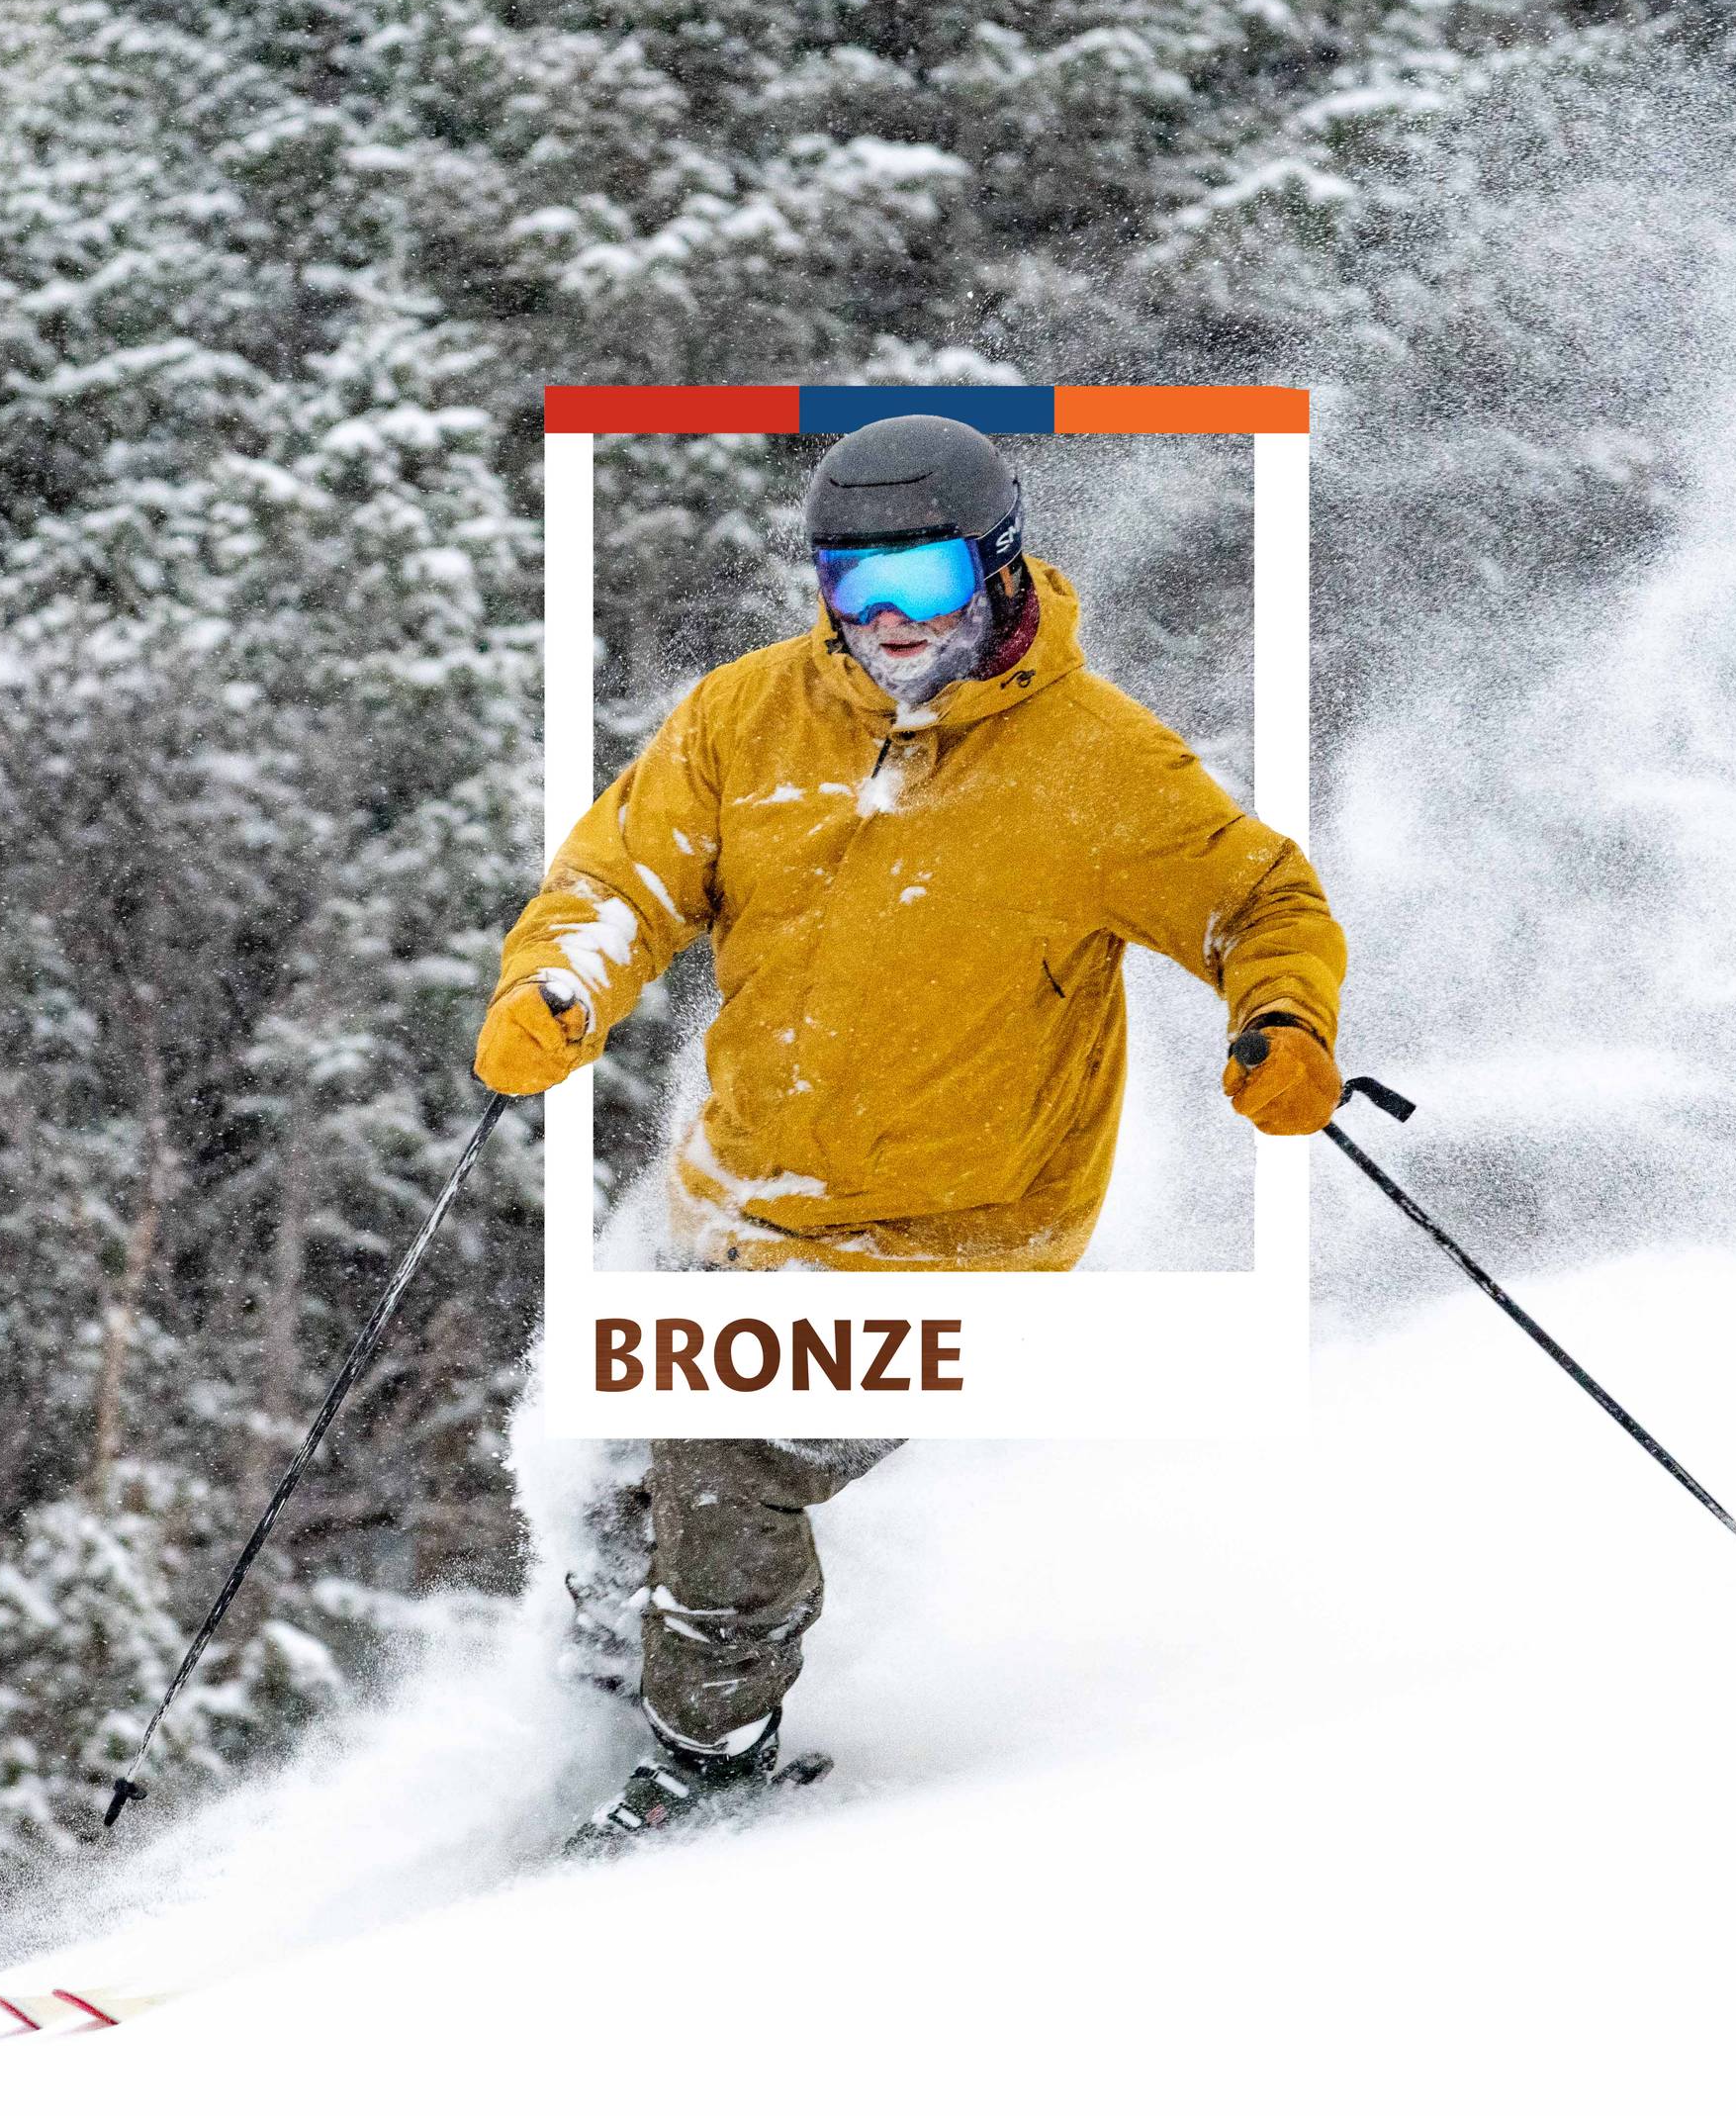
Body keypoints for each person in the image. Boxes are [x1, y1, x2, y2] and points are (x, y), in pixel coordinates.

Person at [477, 414, 1349, 1848]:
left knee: (730, 1446)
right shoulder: (747, 721)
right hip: (740, 1211)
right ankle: (607, 1711)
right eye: (853, 583)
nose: (888, 621)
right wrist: (561, 982)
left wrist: (1286, 1023)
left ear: (998, 572)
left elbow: (1262, 905)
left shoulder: (1096, 763)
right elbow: (621, 879)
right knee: (609, 1451)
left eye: (927, 581)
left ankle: (711, 1770)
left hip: (955, 1248)